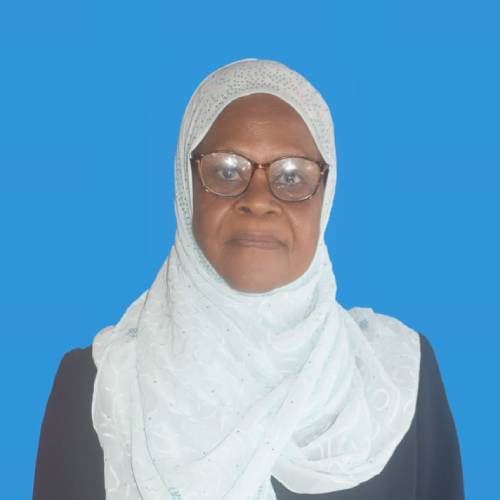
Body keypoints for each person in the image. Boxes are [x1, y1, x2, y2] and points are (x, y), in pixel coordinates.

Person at [33, 58, 465, 500]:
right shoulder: (99, 385)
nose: (258, 200)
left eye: (292, 176)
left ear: (326, 195)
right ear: (186, 189)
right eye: (226, 170)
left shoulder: (397, 379)